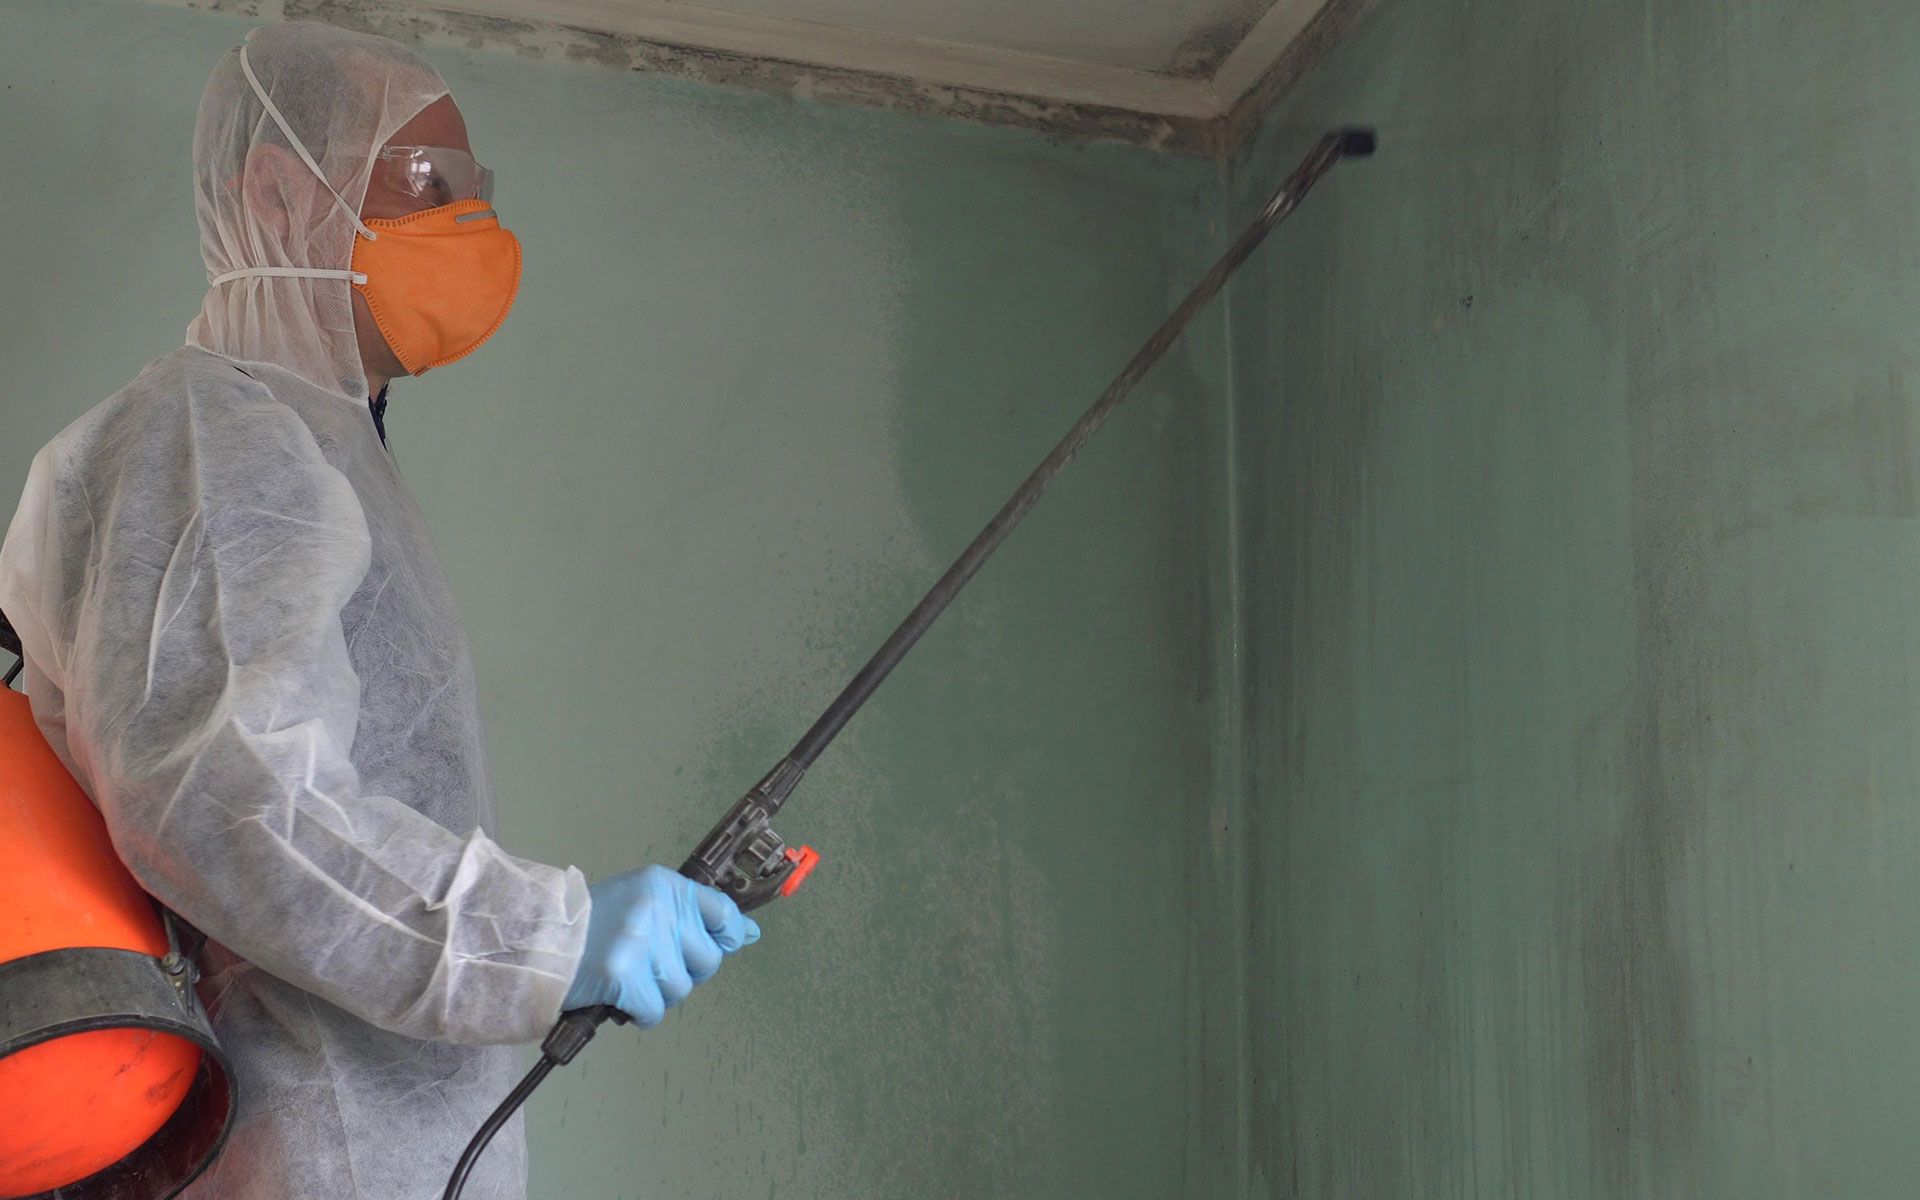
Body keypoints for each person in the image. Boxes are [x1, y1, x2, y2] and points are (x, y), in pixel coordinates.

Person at [0, 21, 757, 1199]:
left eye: (475, 189)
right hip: (299, 1155)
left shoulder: (314, 450)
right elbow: (224, 795)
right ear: (278, 193)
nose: (472, 223)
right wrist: (544, 939)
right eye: (428, 183)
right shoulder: (215, 435)